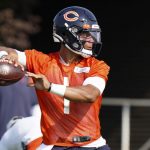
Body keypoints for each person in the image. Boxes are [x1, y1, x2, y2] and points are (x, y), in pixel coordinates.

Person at [0, 6, 111, 150]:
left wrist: (50, 87)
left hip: (93, 145)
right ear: (66, 35)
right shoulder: (42, 61)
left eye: (92, 34)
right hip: (55, 145)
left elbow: (90, 94)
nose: (91, 40)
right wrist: (10, 56)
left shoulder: (97, 65)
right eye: (85, 34)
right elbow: (6, 51)